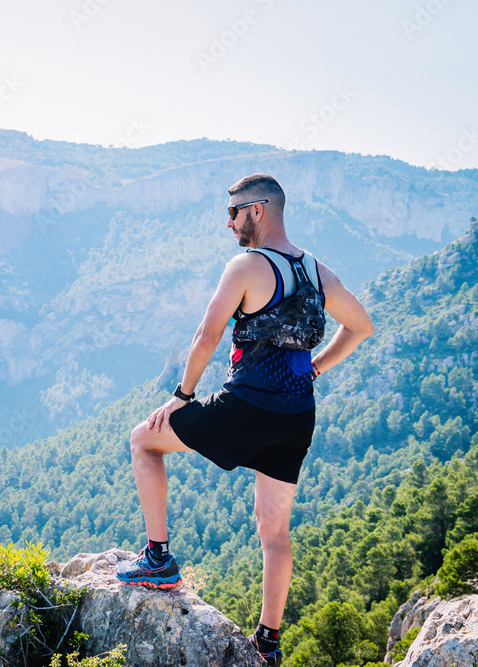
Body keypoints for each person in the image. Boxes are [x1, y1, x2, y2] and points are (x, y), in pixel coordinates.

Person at [115, 173, 374, 666]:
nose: (227, 221)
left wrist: (181, 396)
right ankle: (269, 643)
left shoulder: (247, 266)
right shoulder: (316, 270)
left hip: (248, 407)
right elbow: (361, 326)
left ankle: (157, 560)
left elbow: (207, 336)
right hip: (297, 416)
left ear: (258, 210)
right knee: (274, 532)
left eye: (233, 212)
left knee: (143, 442)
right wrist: (317, 365)